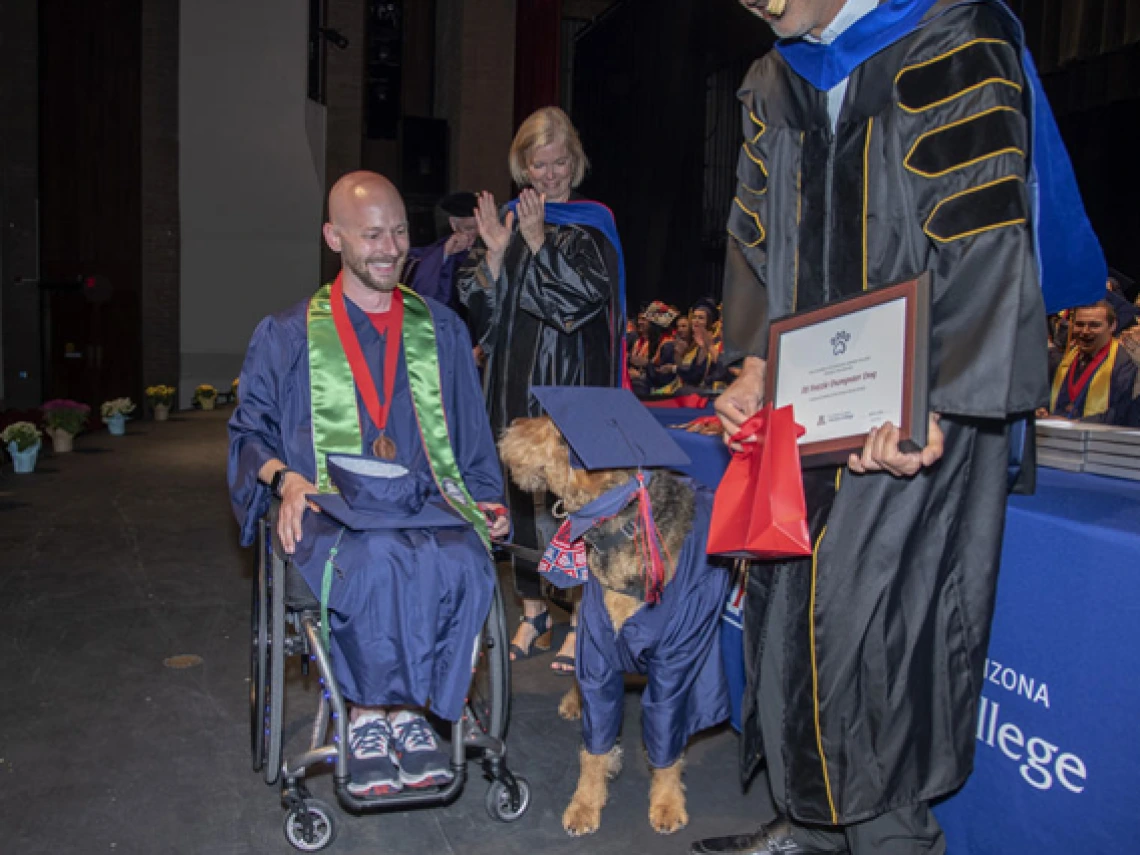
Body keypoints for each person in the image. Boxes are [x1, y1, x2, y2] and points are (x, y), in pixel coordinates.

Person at [692, 2, 1104, 854]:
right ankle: (812, 822)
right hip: (808, 401)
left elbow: (985, 230)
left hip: (921, 410)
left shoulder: (953, 36)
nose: (759, 5)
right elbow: (755, 230)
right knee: (791, 605)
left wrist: (944, 399)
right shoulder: (776, 77)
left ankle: (894, 840)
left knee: (874, 624)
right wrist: (756, 365)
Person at [228, 171, 509, 798]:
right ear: (334, 237)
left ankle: (411, 716)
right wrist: (286, 479)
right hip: (334, 515)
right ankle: (368, 719)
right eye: (372, 234)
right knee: (375, 557)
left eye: (401, 231)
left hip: (425, 509)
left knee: (461, 556)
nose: (390, 247)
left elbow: (470, 440)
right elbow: (249, 436)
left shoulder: (441, 330)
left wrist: (487, 502)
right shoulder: (288, 335)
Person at [457, 106, 627, 673]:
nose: (549, 175)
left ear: (573, 163)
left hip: (571, 385)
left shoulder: (591, 224)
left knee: (572, 499)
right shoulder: (510, 221)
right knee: (518, 502)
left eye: (558, 163)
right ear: (522, 166)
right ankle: (533, 610)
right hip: (511, 380)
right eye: (538, 164)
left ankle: (580, 616)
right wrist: (498, 256)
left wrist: (537, 244)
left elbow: (577, 305)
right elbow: (482, 315)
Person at [1047, 301, 1138, 425]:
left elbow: (1120, 413)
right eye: (1079, 324)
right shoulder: (1062, 359)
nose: (1085, 331)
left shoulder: (1125, 365)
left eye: (1094, 325)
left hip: (1098, 439)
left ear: (1112, 326)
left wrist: (1075, 424)